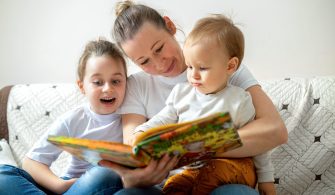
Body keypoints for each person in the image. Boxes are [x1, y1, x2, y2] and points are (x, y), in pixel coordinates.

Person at [100, 1, 288, 194]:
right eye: (144, 61)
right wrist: (139, 170)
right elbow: (134, 144)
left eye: (159, 48)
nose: (159, 63)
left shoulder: (223, 66)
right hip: (171, 181)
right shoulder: (149, 88)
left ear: (170, 26)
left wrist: (200, 145)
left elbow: (274, 132)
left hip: (223, 178)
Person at [0, 39, 130, 194]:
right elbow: (32, 162)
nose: (108, 88)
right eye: (97, 82)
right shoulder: (74, 119)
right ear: (82, 86)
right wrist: (59, 185)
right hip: (70, 188)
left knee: (105, 174)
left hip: (103, 185)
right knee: (3, 176)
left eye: (116, 81)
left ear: (126, 83)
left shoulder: (132, 119)